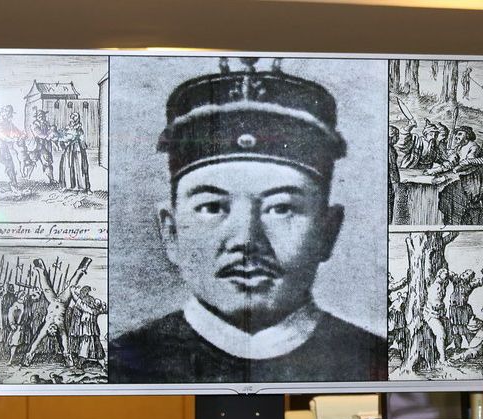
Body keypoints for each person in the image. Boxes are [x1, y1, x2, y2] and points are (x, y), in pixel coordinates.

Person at [109, 58, 389, 384]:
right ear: (171, 232)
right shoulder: (121, 365)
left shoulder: (377, 363)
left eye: (281, 208)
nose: (246, 240)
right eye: (213, 207)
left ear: (328, 231)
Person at [56, 112, 91, 192]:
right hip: (69, 149)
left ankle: (81, 186)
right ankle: (68, 185)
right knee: (68, 165)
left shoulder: (79, 128)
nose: (73, 120)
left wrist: (82, 144)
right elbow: (64, 137)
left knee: (79, 165)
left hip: (77, 148)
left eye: (75, 118)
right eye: (73, 118)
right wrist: (63, 140)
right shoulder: (67, 128)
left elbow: (80, 138)